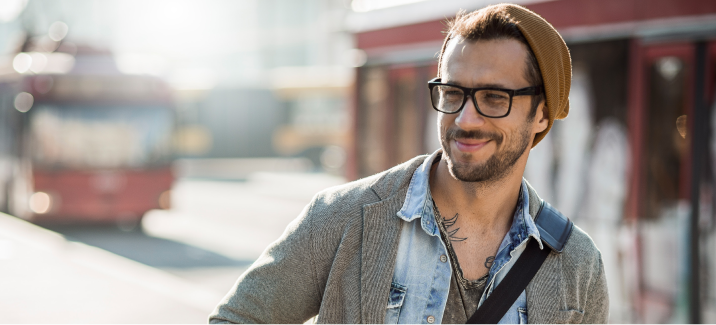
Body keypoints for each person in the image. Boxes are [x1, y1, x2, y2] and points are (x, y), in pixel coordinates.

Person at [210, 4, 608, 325]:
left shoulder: (576, 264)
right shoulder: (342, 218)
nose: (466, 119)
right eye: (453, 93)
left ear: (542, 114)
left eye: (493, 97)